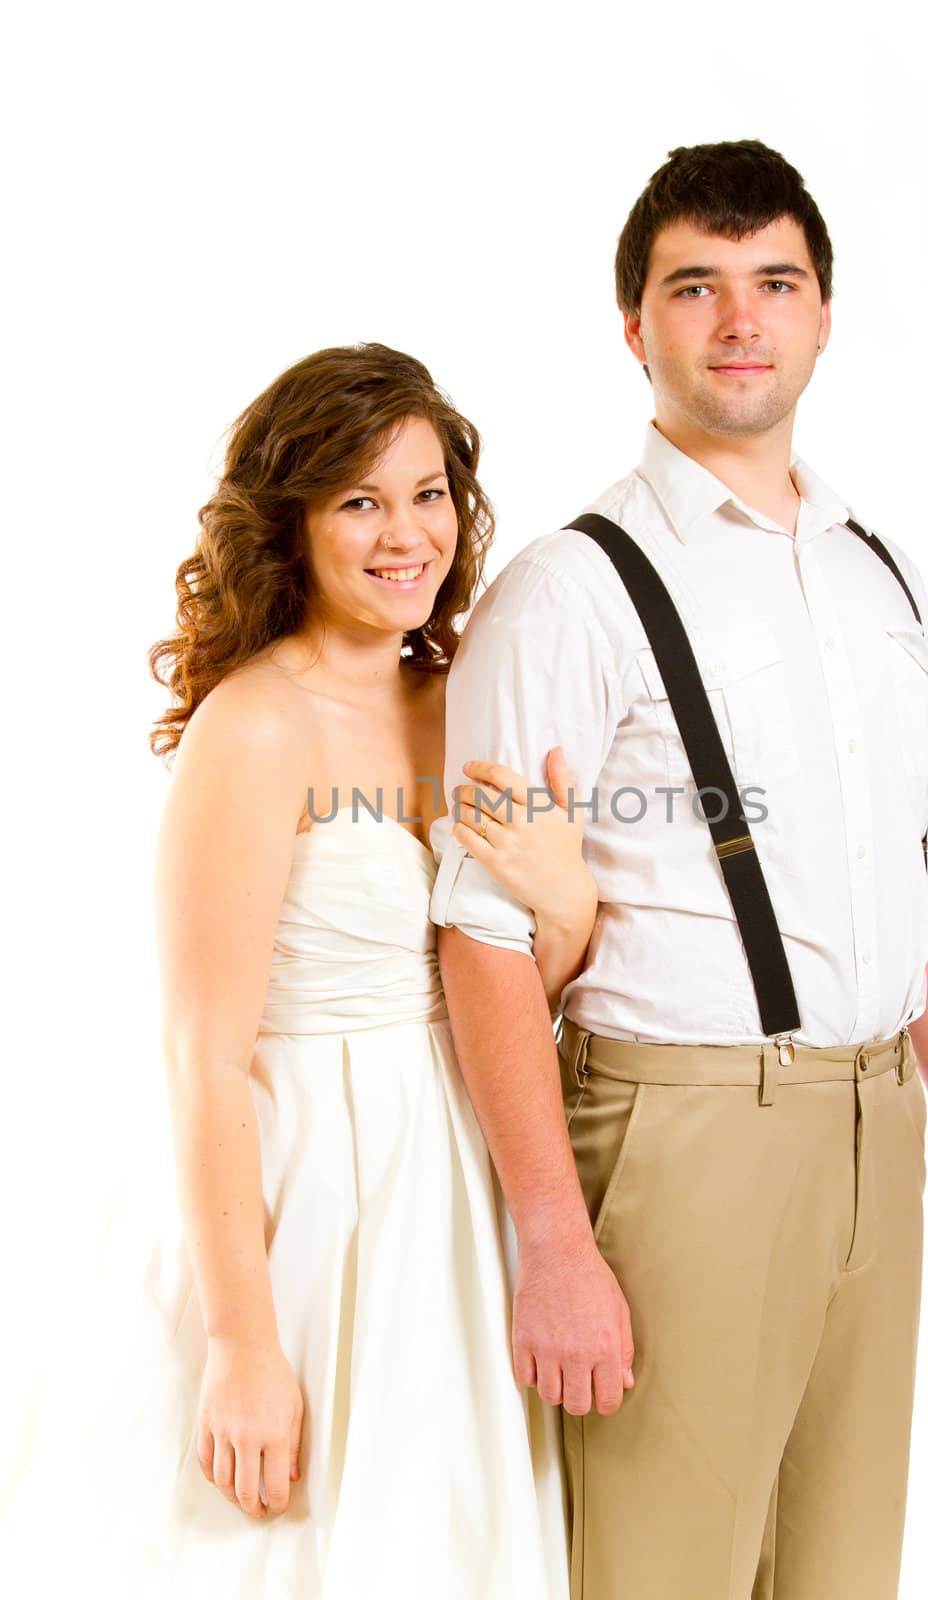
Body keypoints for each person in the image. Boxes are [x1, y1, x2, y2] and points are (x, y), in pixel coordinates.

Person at [428, 142, 928, 1600]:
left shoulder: (871, 569)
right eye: (692, 288)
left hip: (873, 1131)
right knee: (660, 1578)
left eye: (772, 283)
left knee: (841, 1579)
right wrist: (553, 1244)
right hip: (676, 1140)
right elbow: (480, 933)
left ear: (823, 314)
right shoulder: (568, 588)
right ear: (635, 329)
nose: (738, 319)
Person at [11, 345, 580, 1598]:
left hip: (465, 1170)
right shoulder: (257, 724)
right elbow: (200, 1054)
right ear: (296, 523)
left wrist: (565, 892)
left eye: (427, 493)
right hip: (309, 1190)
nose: (404, 535)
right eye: (359, 501)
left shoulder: (467, 694)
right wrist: (241, 1342)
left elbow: (532, 972)